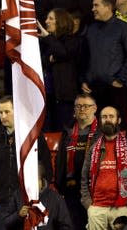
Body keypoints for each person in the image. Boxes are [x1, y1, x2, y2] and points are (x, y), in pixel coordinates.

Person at [0, 96, 53, 230]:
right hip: (3, 202)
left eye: (7, 112)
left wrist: (39, 194)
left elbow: (46, 166)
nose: (3, 116)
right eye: (0, 112)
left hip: (26, 201)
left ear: (16, 111)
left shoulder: (32, 135)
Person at [81, 106, 127, 229]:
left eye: (111, 116)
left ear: (118, 120)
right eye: (104, 117)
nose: (107, 120)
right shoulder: (93, 148)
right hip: (96, 208)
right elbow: (84, 178)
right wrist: (89, 205)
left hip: (122, 208)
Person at [56, 93, 99, 230]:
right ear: (74, 109)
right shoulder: (68, 131)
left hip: (95, 192)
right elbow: (60, 161)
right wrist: (60, 186)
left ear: (95, 108)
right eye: (78, 106)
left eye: (86, 106)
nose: (82, 109)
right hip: (71, 190)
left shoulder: (102, 132)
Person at [82, 0, 127, 118]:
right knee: (96, 130)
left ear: (108, 7)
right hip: (93, 89)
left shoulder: (123, 28)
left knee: (118, 129)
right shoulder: (91, 29)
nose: (93, 9)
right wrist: (84, 79)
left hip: (115, 88)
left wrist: (120, 80)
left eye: (96, 5)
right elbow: (84, 57)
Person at [38, 8, 82, 130]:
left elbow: (62, 52)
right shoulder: (49, 42)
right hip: (48, 96)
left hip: (64, 97)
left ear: (61, 21)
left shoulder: (73, 40)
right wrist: (50, 58)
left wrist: (48, 38)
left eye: (51, 18)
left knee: (63, 133)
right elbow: (43, 61)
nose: (46, 21)